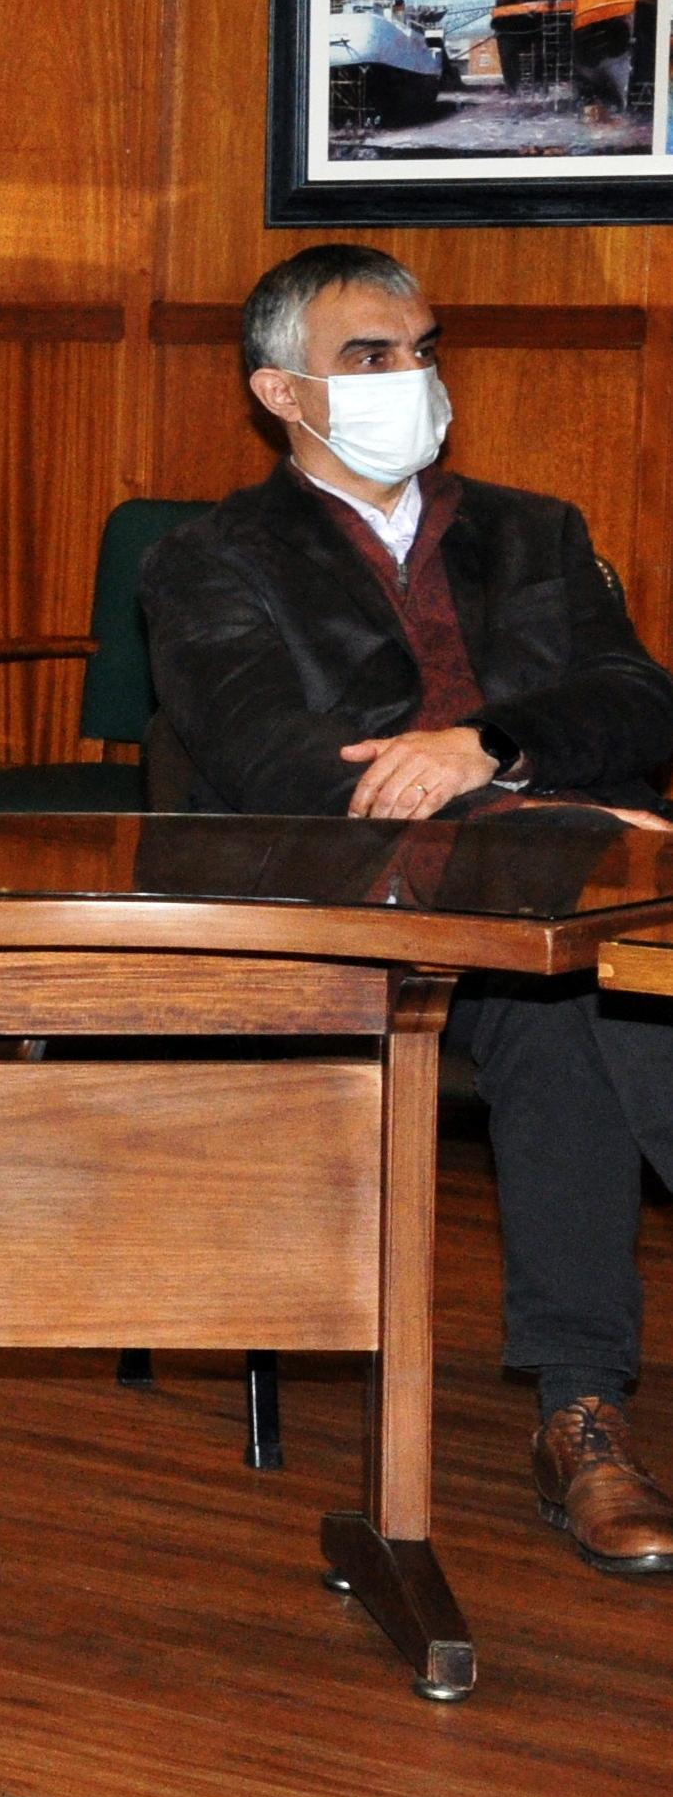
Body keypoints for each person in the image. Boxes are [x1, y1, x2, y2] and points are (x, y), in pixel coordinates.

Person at [145, 242, 673, 1576]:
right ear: (279, 391)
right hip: (341, 907)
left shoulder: (533, 528)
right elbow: (280, 762)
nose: (408, 378)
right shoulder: (207, 559)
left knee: (572, 995)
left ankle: (578, 1411)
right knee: (569, 996)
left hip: (559, 894)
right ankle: (579, 1416)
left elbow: (637, 705)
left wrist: (484, 743)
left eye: (422, 349)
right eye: (366, 357)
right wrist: (537, 796)